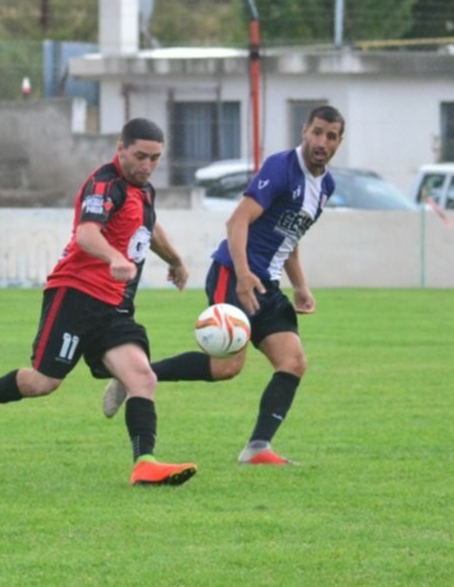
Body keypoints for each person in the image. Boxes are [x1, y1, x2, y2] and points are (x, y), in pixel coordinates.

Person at [0, 118, 198, 487]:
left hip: (114, 306)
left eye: (155, 159)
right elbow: (86, 233)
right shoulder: (104, 184)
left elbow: (149, 226)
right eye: (140, 156)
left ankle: (144, 463)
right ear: (121, 148)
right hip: (76, 295)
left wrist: (174, 259)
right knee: (44, 382)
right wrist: (113, 257)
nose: (147, 166)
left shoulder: (144, 191)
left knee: (144, 377)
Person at [104, 105, 345, 466]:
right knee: (227, 367)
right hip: (234, 274)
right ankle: (136, 375)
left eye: (331, 136)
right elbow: (236, 223)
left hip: (267, 284)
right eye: (317, 132)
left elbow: (289, 236)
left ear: (340, 141)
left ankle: (258, 448)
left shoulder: (325, 185)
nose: (321, 142)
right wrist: (245, 275)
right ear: (304, 131)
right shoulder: (282, 167)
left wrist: (300, 286)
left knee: (292, 362)